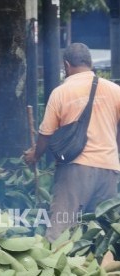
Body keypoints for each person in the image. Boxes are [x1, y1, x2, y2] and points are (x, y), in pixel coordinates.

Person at [24, 43, 120, 242]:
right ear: (90, 63)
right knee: (102, 232)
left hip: (75, 169)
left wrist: (35, 155)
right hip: (109, 169)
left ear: (66, 65)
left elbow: (46, 133)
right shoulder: (114, 90)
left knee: (60, 230)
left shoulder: (61, 92)